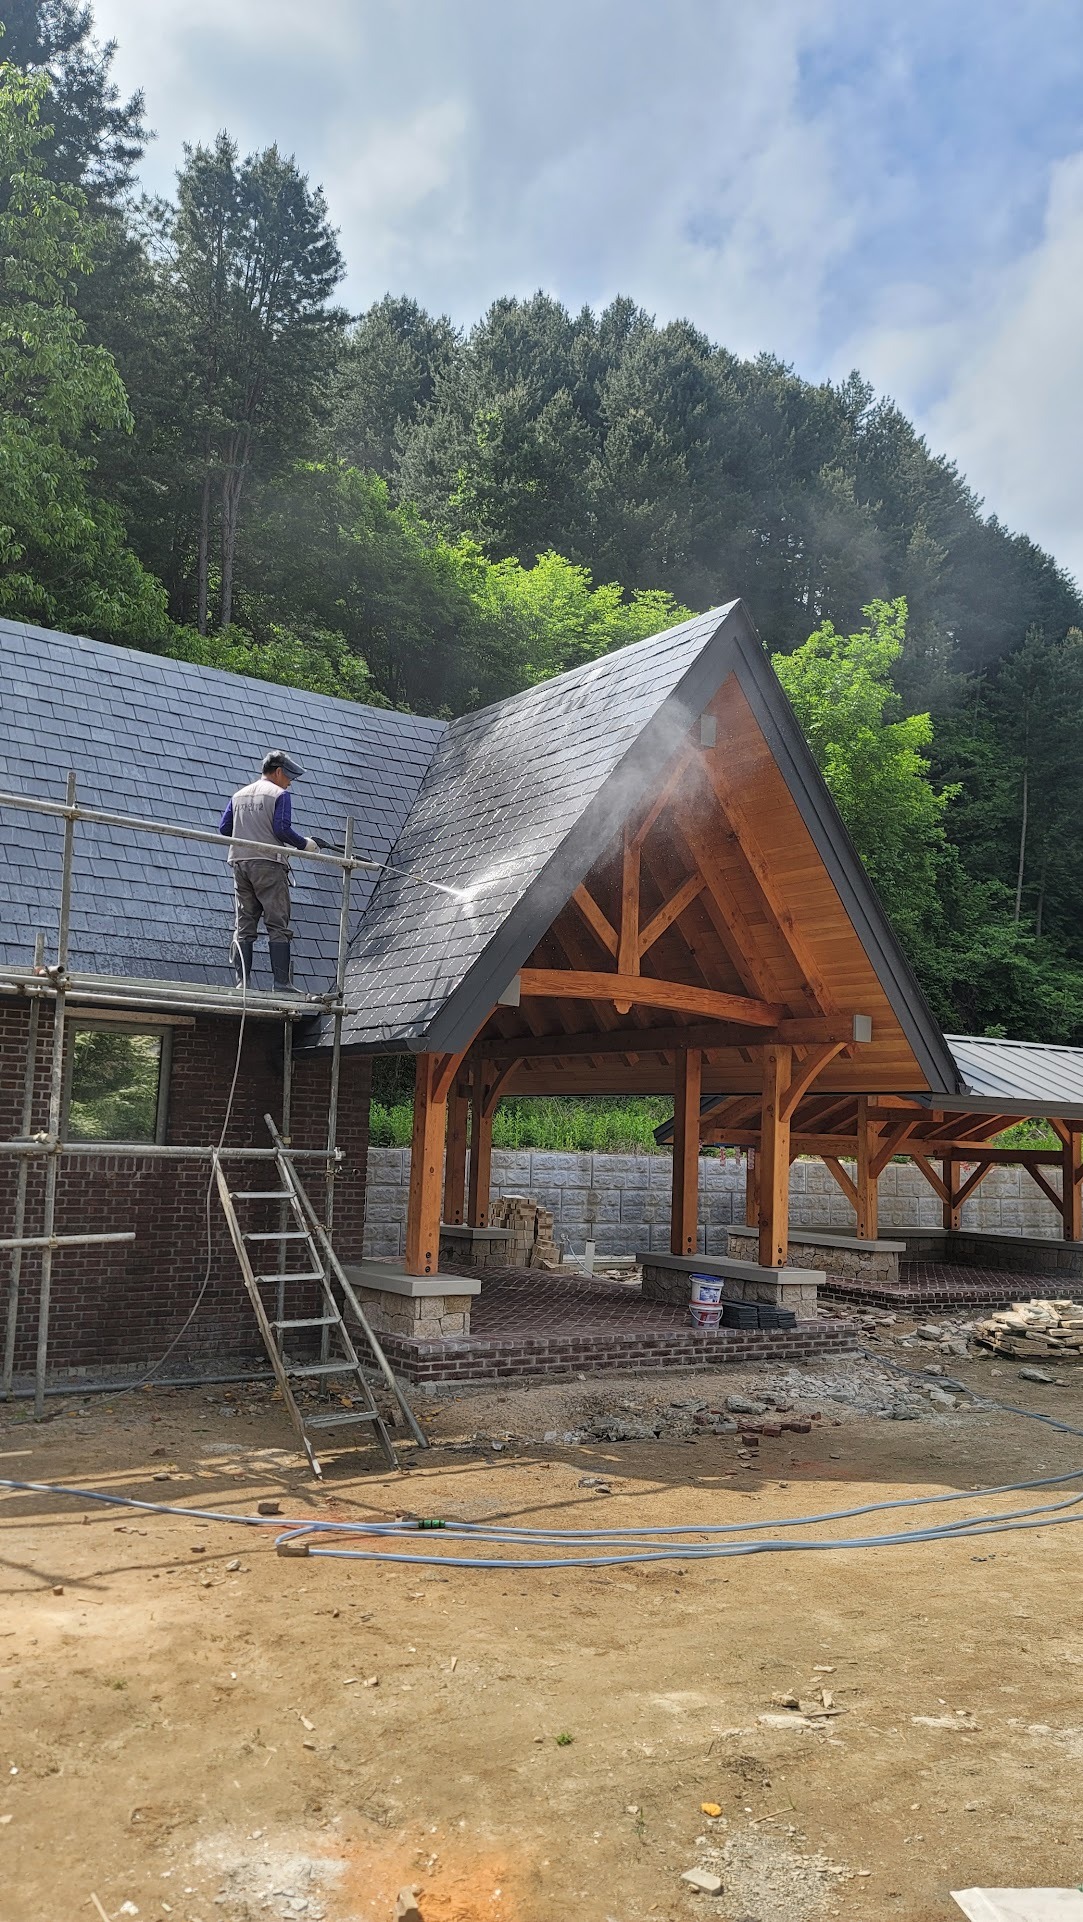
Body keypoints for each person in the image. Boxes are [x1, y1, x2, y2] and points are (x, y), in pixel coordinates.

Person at [218, 750, 324, 993]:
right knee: (277, 923)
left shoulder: (239, 795)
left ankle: (243, 983)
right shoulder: (279, 795)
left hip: (240, 863)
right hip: (268, 864)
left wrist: (249, 833)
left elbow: (224, 828)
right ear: (278, 772)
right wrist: (305, 844)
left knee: (245, 923)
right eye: (289, 777)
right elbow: (282, 830)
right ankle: (281, 983)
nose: (290, 783)